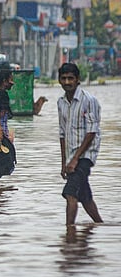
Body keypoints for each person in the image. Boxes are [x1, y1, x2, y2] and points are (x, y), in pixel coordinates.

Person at [57, 62, 103, 225]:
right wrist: (64, 162)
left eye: (71, 78)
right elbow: (62, 133)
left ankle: (70, 236)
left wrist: (76, 159)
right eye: (64, 78)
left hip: (85, 155)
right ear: (59, 80)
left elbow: (92, 132)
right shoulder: (61, 102)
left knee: (70, 193)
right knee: (85, 197)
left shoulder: (89, 100)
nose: (67, 82)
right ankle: (100, 225)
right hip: (71, 157)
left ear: (78, 80)